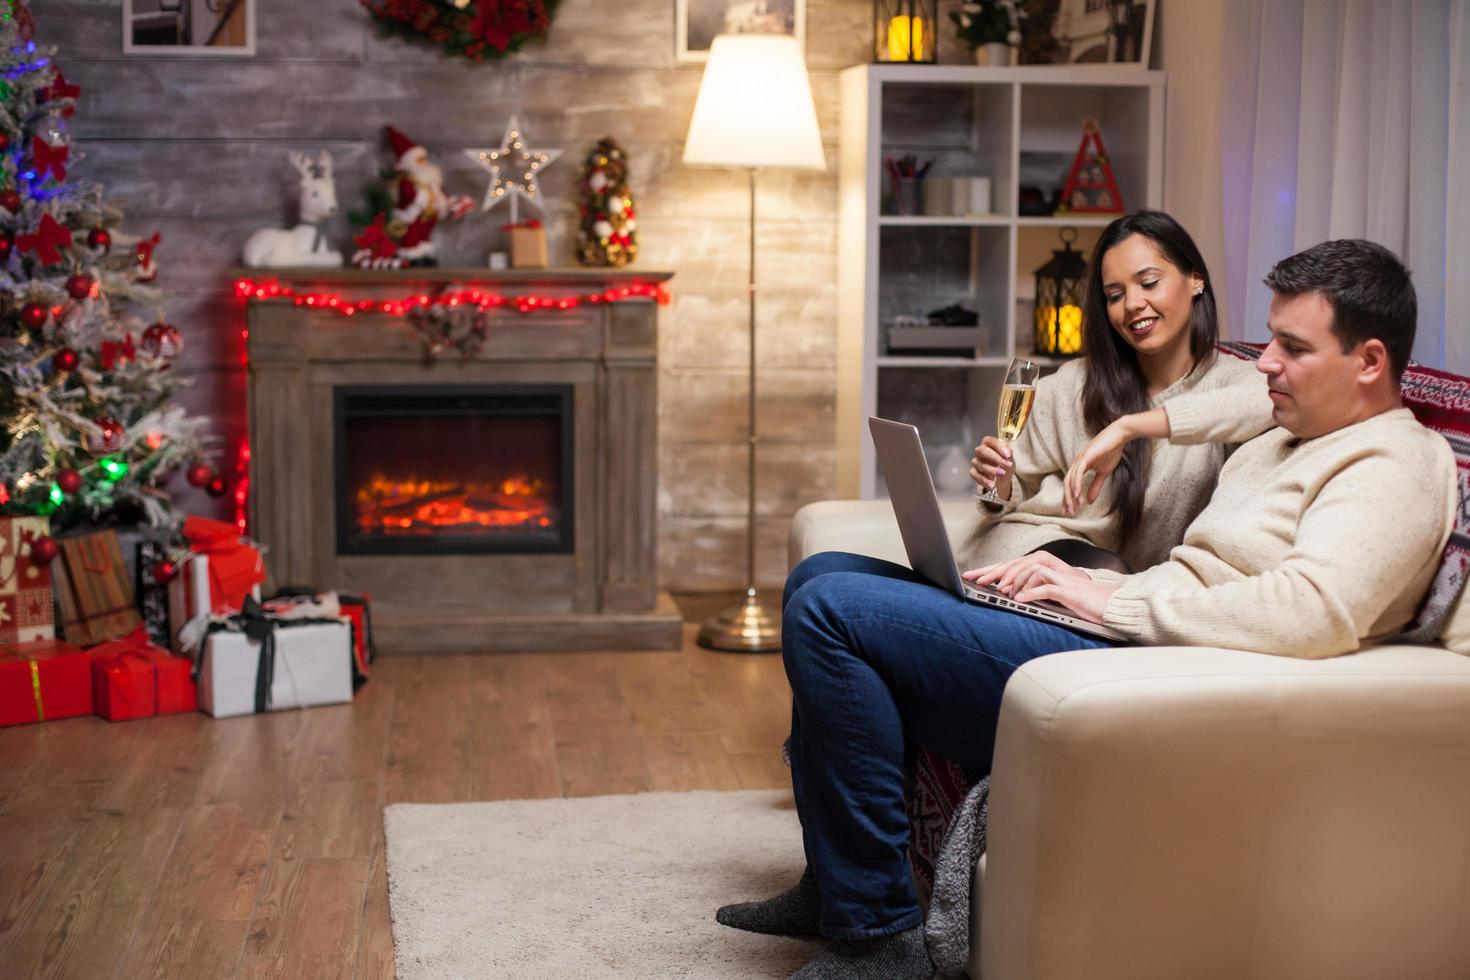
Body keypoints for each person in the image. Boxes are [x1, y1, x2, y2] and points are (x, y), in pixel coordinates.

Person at [716, 238, 1456, 980]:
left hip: (1144, 670)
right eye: (1267, 341)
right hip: (1119, 631)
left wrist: (1112, 599)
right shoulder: (1288, 424)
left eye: (1292, 347)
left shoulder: (1391, 462)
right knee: (821, 576)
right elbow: (1209, 407)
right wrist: (1100, 533)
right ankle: (835, 885)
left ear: (1368, 362)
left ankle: (879, 938)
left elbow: (1312, 614)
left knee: (834, 613)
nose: (1265, 362)